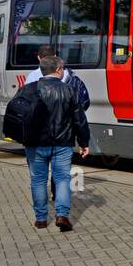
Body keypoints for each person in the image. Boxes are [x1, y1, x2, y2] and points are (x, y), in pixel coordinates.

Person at [17, 53, 90, 232]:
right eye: (62, 68)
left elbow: (17, 115)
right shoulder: (69, 90)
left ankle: (41, 219)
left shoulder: (28, 89)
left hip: (35, 144)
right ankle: (62, 215)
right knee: (62, 179)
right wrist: (84, 142)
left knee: (38, 180)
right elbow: (79, 119)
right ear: (58, 70)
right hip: (62, 144)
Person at [25, 45, 90, 110]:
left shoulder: (32, 76)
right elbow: (83, 103)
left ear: (39, 58)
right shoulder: (69, 76)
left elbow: (27, 100)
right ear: (55, 56)